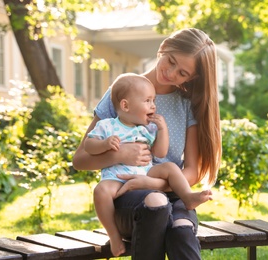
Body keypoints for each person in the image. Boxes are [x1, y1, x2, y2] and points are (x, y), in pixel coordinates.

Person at [73, 28, 222, 260]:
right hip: (128, 197)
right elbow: (79, 160)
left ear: (191, 78)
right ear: (164, 47)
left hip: (173, 192)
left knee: (182, 229)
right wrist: (118, 156)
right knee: (156, 203)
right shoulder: (123, 92)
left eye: (182, 73)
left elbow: (191, 171)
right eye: (170, 61)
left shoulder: (186, 104)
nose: (171, 73)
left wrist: (152, 182)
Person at [84, 73, 213, 256]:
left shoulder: (145, 129)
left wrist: (163, 130)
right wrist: (106, 145)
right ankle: (114, 236)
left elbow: (159, 153)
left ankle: (188, 196)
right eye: (148, 101)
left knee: (170, 167)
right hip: (117, 177)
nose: (153, 105)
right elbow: (88, 146)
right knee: (101, 191)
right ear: (125, 105)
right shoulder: (107, 126)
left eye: (153, 100)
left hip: (146, 172)